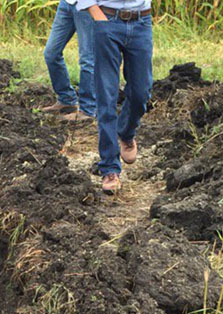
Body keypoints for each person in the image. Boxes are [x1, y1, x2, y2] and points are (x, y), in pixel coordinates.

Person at [76, 0, 153, 194]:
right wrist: (96, 14)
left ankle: (126, 132)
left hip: (141, 22)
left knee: (141, 92)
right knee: (106, 95)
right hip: (107, 20)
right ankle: (110, 168)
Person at [41, 0, 97, 121]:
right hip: (66, 4)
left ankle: (88, 110)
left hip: (88, 6)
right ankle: (66, 99)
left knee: (88, 59)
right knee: (51, 53)